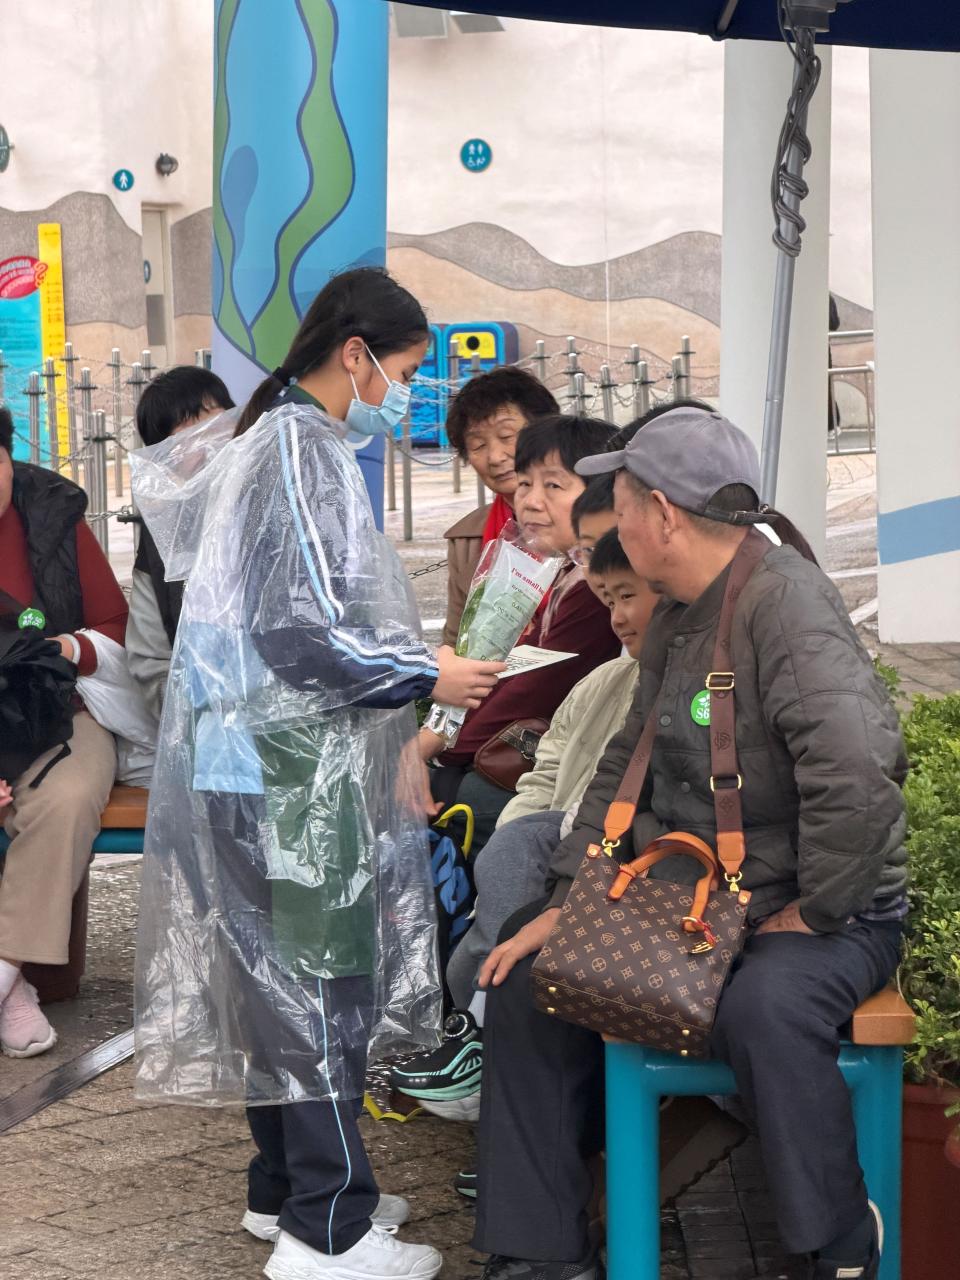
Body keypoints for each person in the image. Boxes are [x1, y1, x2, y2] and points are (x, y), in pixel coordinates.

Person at [465, 406, 907, 1280]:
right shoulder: (678, 610)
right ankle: (542, 1254)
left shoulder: (787, 604)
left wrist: (819, 909)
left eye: (621, 502)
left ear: (662, 514)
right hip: (700, 898)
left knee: (767, 1008)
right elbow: (622, 769)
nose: (607, 522)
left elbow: (858, 771)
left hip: (820, 908)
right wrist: (569, 900)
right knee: (527, 976)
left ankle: (837, 1244)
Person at [132, 267, 506, 1280]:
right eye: (406, 370)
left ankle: (289, 1188)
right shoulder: (300, 448)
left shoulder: (284, 440)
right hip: (283, 760)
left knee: (276, 982)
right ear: (357, 354)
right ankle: (328, 1227)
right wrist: (426, 672)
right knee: (314, 985)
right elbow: (300, 630)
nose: (408, 392)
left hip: (257, 754)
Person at [393, 528, 655, 1120]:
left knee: (510, 859)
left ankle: (482, 1040)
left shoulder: (677, 685)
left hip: (614, 876)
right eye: (607, 598)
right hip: (561, 850)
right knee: (509, 842)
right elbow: (546, 772)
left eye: (627, 597)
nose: (616, 616)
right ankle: (474, 1034)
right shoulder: (603, 681)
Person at [419, 415, 622, 856]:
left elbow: (533, 689)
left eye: (553, 485)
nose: (529, 501)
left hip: (565, 770)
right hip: (528, 750)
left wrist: (438, 748)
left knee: (460, 798)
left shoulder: (595, 587)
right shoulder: (563, 570)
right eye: (525, 483)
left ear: (604, 495)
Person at [0, 406, 128, 1057]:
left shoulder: (53, 516)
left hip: (58, 710)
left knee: (69, 796)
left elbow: (114, 627)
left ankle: (3, 972)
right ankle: (15, 991)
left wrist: (66, 649)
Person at [126, 366, 235, 719]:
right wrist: (200, 712)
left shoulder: (277, 504)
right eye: (189, 435)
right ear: (162, 460)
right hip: (208, 724)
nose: (210, 443)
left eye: (216, 422)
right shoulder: (161, 541)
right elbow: (150, 662)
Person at [441, 368, 559, 647]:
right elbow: (456, 642)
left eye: (507, 436)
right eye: (478, 445)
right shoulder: (468, 539)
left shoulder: (593, 520)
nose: (495, 457)